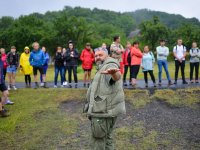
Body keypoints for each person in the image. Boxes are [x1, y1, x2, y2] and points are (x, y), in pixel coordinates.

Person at [83, 49, 126, 150]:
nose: (97, 57)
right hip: (104, 109)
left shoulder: (110, 65)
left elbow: (116, 77)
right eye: (96, 55)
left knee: (98, 140)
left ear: (107, 56)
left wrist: (114, 74)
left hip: (102, 112)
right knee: (107, 138)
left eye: (100, 55)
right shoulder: (102, 67)